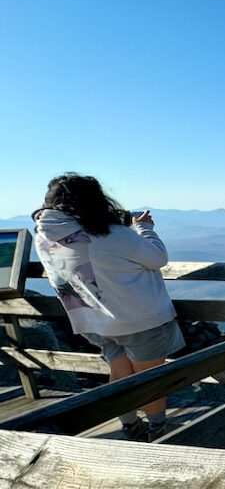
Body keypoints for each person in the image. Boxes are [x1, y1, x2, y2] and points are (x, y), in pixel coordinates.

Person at [32, 173, 184, 441]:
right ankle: (158, 431)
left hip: (94, 319)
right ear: (94, 200)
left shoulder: (45, 235)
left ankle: (130, 427)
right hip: (137, 318)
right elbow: (157, 258)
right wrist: (144, 228)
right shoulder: (109, 233)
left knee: (120, 372)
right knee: (149, 381)